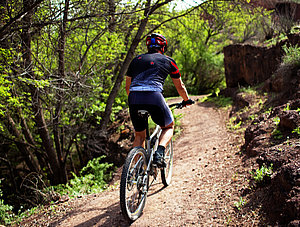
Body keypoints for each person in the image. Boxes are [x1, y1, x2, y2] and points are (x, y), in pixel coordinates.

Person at [125, 33, 193, 167]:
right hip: (154, 96)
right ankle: (159, 153)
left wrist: (136, 100)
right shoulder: (168, 61)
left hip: (134, 98)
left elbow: (128, 87)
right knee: (168, 126)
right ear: (163, 47)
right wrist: (186, 100)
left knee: (139, 135)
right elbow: (180, 86)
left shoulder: (136, 60)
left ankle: (135, 170)